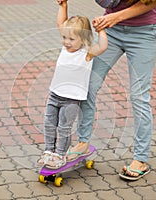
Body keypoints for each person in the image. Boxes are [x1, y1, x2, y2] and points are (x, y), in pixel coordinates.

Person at [67, 0, 156, 180]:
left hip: (144, 33)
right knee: (88, 86)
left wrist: (114, 16)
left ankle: (140, 159)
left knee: (139, 96)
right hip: (111, 32)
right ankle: (83, 142)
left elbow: (149, 2)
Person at [37, 0, 108, 169]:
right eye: (64, 37)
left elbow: (103, 46)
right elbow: (61, 23)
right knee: (48, 123)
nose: (66, 42)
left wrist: (101, 30)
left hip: (71, 100)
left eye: (71, 39)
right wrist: (63, 6)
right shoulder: (65, 48)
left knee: (64, 127)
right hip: (54, 95)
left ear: (83, 39)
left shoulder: (87, 52)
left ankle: (60, 155)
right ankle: (48, 151)